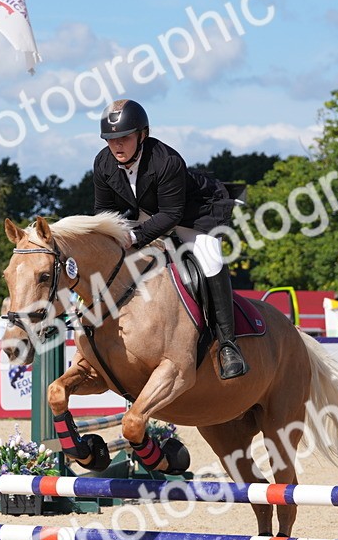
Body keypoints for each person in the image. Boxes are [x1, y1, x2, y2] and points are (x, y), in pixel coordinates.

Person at [92, 99, 247, 379]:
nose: (117, 145)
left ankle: (228, 344)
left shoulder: (167, 160)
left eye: (124, 137)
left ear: (142, 135)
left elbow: (172, 214)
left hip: (192, 213)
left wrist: (135, 236)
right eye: (110, 139)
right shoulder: (103, 162)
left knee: (210, 259)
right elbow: (104, 213)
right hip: (145, 212)